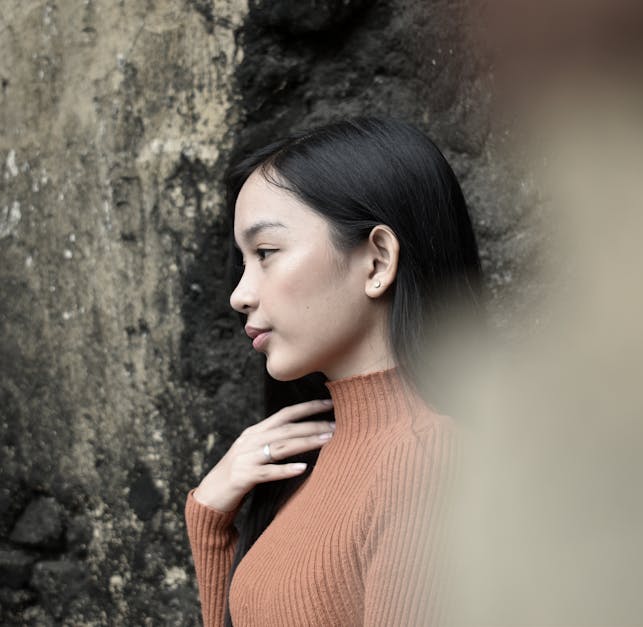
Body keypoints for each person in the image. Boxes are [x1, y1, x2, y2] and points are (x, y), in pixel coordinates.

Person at [184, 116, 483, 627]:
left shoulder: (424, 459)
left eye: (266, 253)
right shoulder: (318, 462)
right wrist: (209, 523)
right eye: (243, 261)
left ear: (377, 262)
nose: (239, 294)